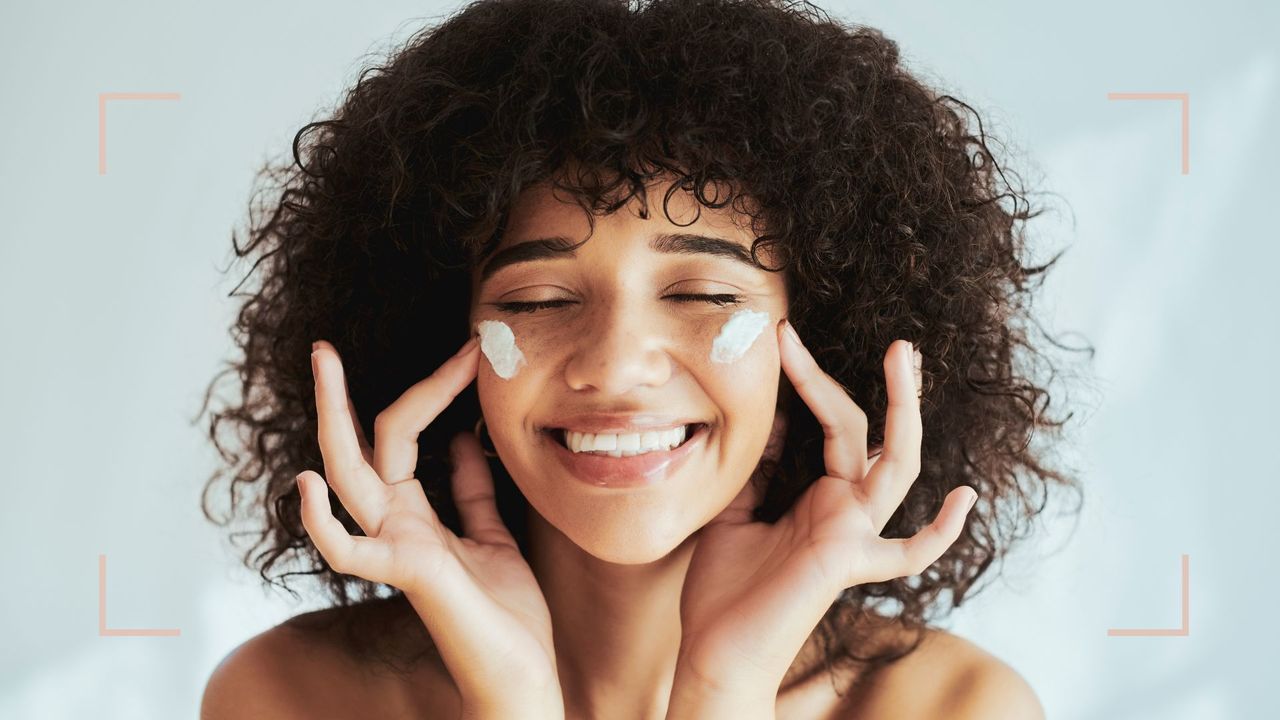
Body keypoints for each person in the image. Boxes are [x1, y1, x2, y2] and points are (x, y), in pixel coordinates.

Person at [197, 0, 1084, 717]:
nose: (616, 366)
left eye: (702, 296)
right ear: (441, 348)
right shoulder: (291, 698)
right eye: (538, 302)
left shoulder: (952, 708)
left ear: (824, 345)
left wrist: (723, 694)